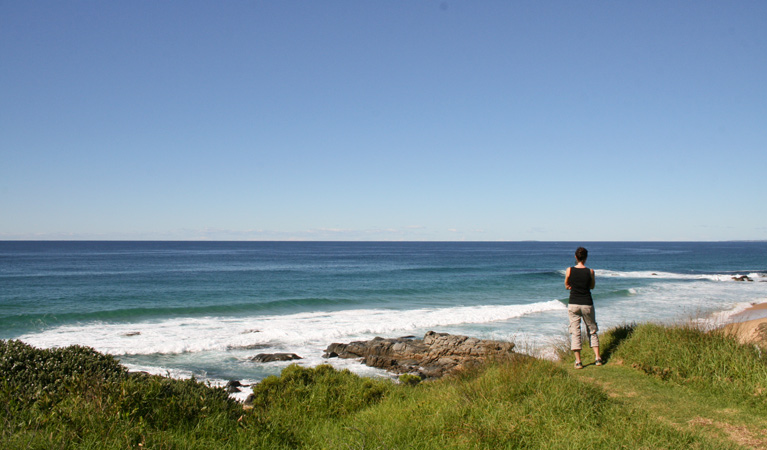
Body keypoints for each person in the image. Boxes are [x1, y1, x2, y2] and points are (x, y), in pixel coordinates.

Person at [564, 246, 602, 369]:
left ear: (576, 257)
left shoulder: (569, 270)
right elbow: (592, 286)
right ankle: (597, 358)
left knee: (575, 332)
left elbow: (566, 285)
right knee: (592, 330)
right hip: (587, 303)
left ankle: (578, 361)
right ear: (586, 258)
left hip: (573, 303)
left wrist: (571, 286)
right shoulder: (590, 271)